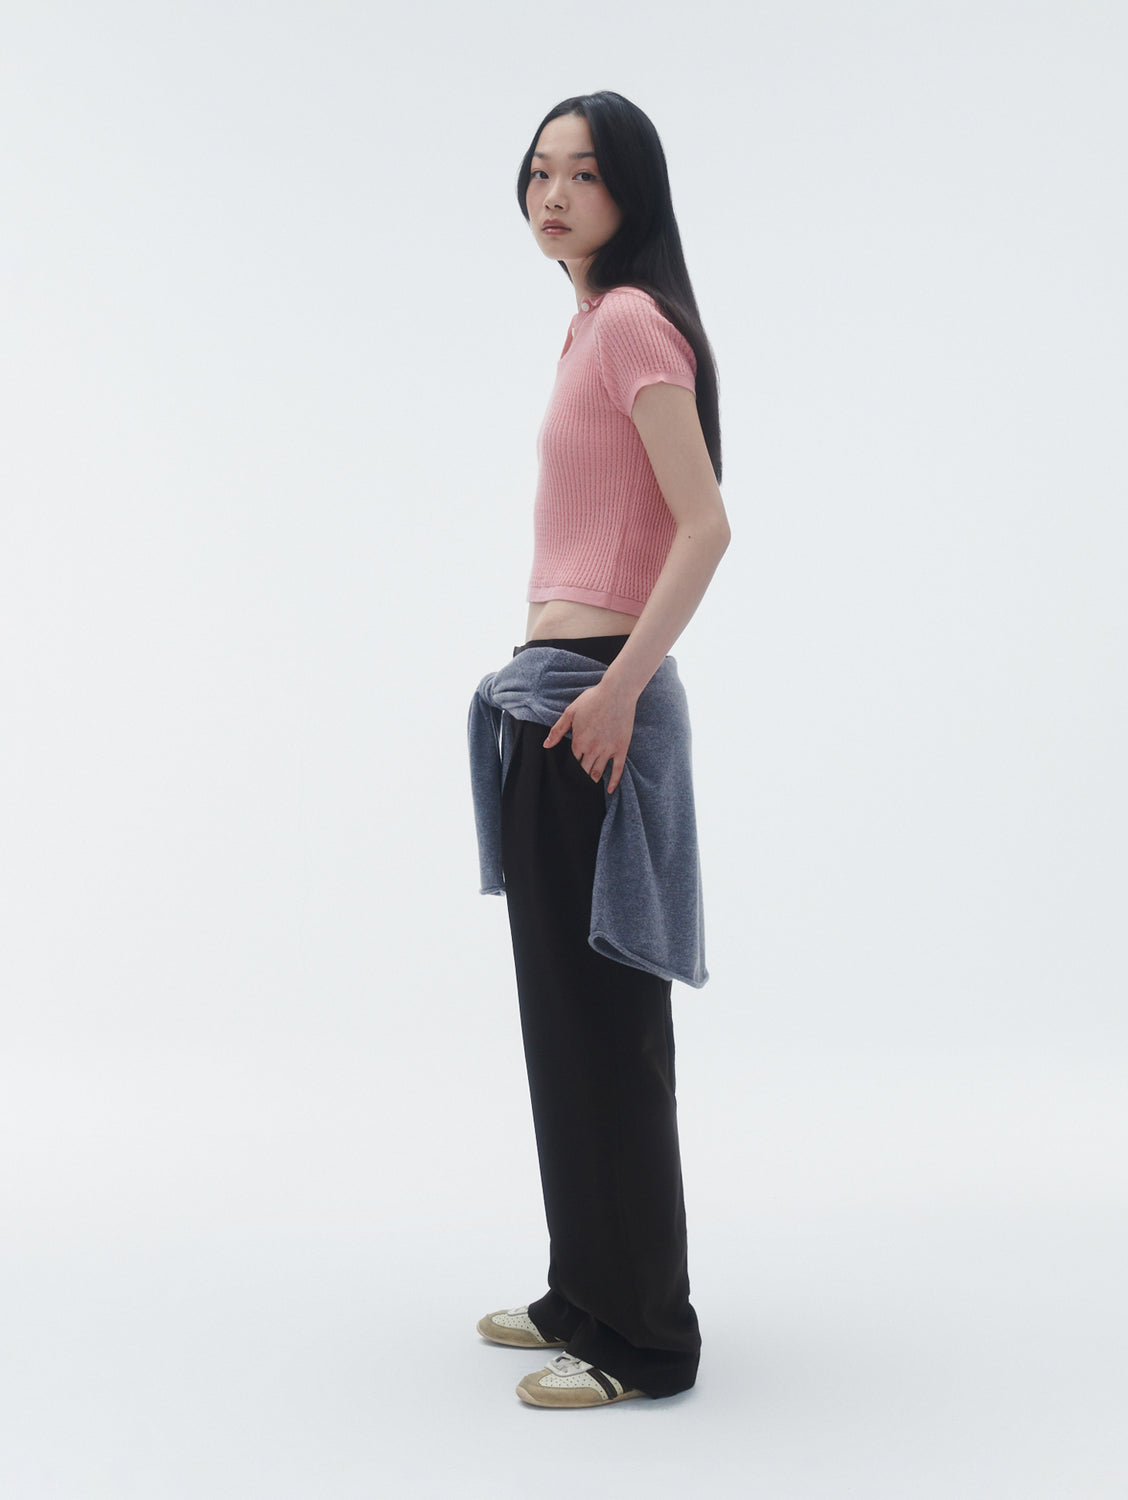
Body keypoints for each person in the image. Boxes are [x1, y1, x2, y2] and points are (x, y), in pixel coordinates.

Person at [467, 90, 731, 1408]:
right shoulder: (584, 325)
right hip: (552, 699)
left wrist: (620, 690)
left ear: (632, 189)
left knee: (607, 1030)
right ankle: (585, 1291)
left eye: (581, 172)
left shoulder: (631, 321)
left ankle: (646, 1340)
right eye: (538, 173)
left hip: (592, 705)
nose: (553, 195)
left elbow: (706, 524)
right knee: (562, 1026)